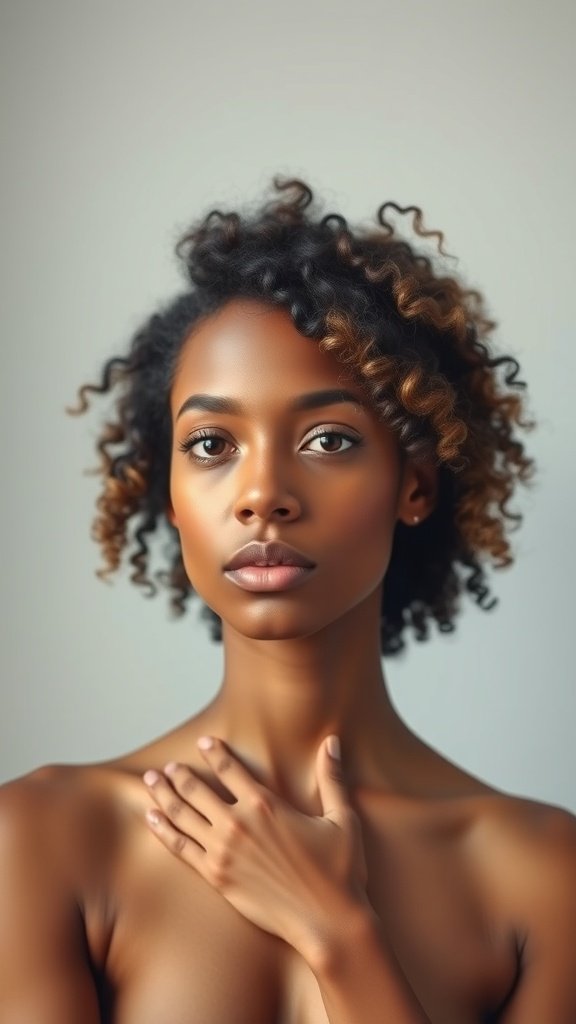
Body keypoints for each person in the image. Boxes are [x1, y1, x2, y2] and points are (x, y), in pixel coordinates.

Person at [1, 177, 574, 1024]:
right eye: (211, 445)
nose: (261, 493)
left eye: (328, 440)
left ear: (413, 484)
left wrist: (339, 933)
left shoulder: (544, 873)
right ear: (170, 494)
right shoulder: (43, 840)